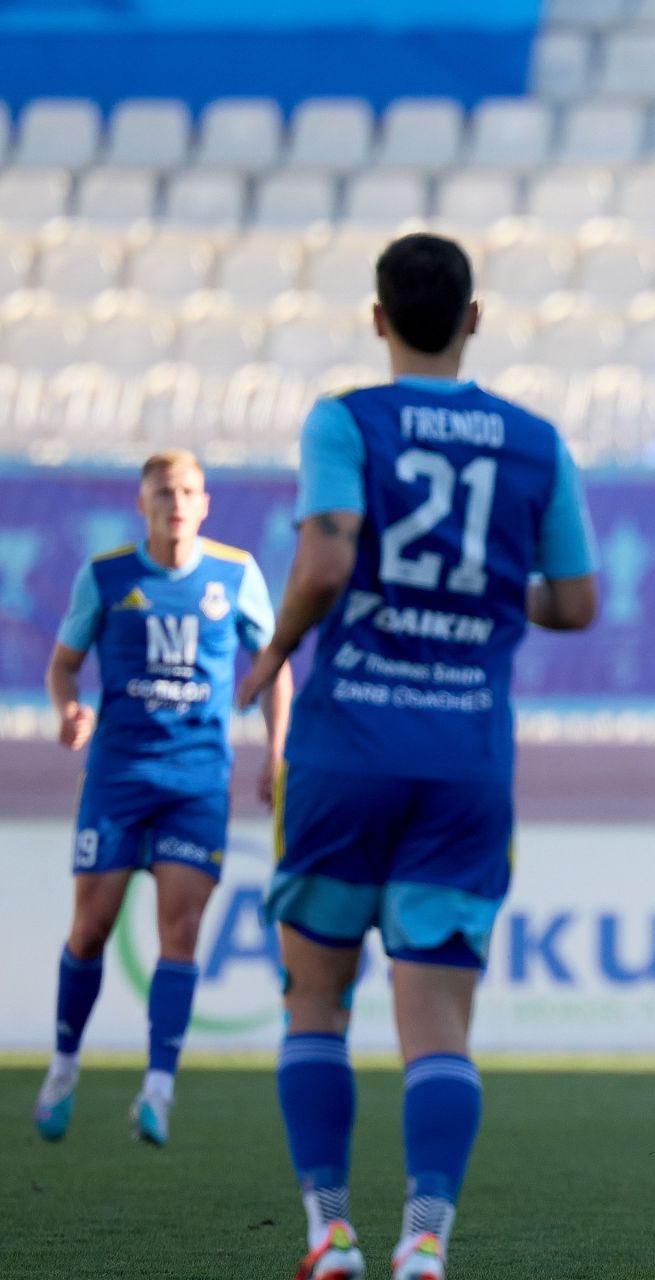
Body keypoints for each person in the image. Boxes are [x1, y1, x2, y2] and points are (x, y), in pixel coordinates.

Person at [234, 232, 599, 1280]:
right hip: (463, 761)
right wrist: (483, 596)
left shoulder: (345, 420)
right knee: (436, 1016)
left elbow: (329, 550)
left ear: (378, 318)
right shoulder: (535, 441)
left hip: (345, 749)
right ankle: (426, 1240)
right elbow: (575, 601)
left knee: (317, 1000)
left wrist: (274, 651)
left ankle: (330, 1231)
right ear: (474, 318)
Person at [33, 449, 291, 1148]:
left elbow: (274, 666)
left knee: (180, 931)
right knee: (91, 928)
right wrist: (69, 710)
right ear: (141, 504)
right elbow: (64, 664)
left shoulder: (235, 575)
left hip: (195, 782)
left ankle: (158, 1089)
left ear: (205, 504)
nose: (175, 503)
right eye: (162, 493)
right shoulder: (108, 577)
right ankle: (63, 1067)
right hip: (118, 778)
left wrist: (277, 749)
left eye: (187, 491)